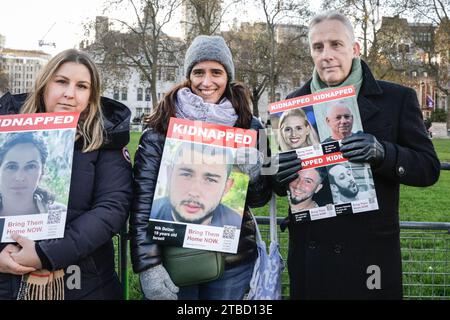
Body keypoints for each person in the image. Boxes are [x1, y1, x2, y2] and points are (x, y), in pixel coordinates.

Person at [273, 11, 440, 299]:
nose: (326, 55)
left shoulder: (396, 99)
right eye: (318, 47)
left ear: (355, 49)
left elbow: (428, 168)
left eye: (336, 44)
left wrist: (383, 153)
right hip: (312, 253)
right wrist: (278, 173)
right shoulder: (292, 104)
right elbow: (282, 182)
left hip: (369, 256)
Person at [130, 35, 271, 300]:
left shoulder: (251, 127)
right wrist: (148, 265)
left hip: (233, 261)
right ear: (188, 75)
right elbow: (143, 201)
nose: (207, 82)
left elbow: (261, 198)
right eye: (198, 72)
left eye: (216, 72)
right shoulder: (161, 128)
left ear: (227, 75)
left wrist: (254, 174)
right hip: (174, 259)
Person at [0, 49, 132, 300]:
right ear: (44, 85)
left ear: (91, 96)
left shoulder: (105, 140)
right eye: (61, 82)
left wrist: (46, 254)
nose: (70, 94)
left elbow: (112, 208)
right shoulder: (5, 133)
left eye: (81, 86)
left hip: (85, 283)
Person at [151, 142, 242, 228]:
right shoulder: (149, 214)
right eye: (186, 175)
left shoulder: (236, 225)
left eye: (210, 180)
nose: (194, 192)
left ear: (226, 187)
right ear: (169, 175)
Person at [0, 132, 66, 217]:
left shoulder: (59, 213)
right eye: (11, 167)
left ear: (42, 171)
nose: (20, 177)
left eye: (30, 166)